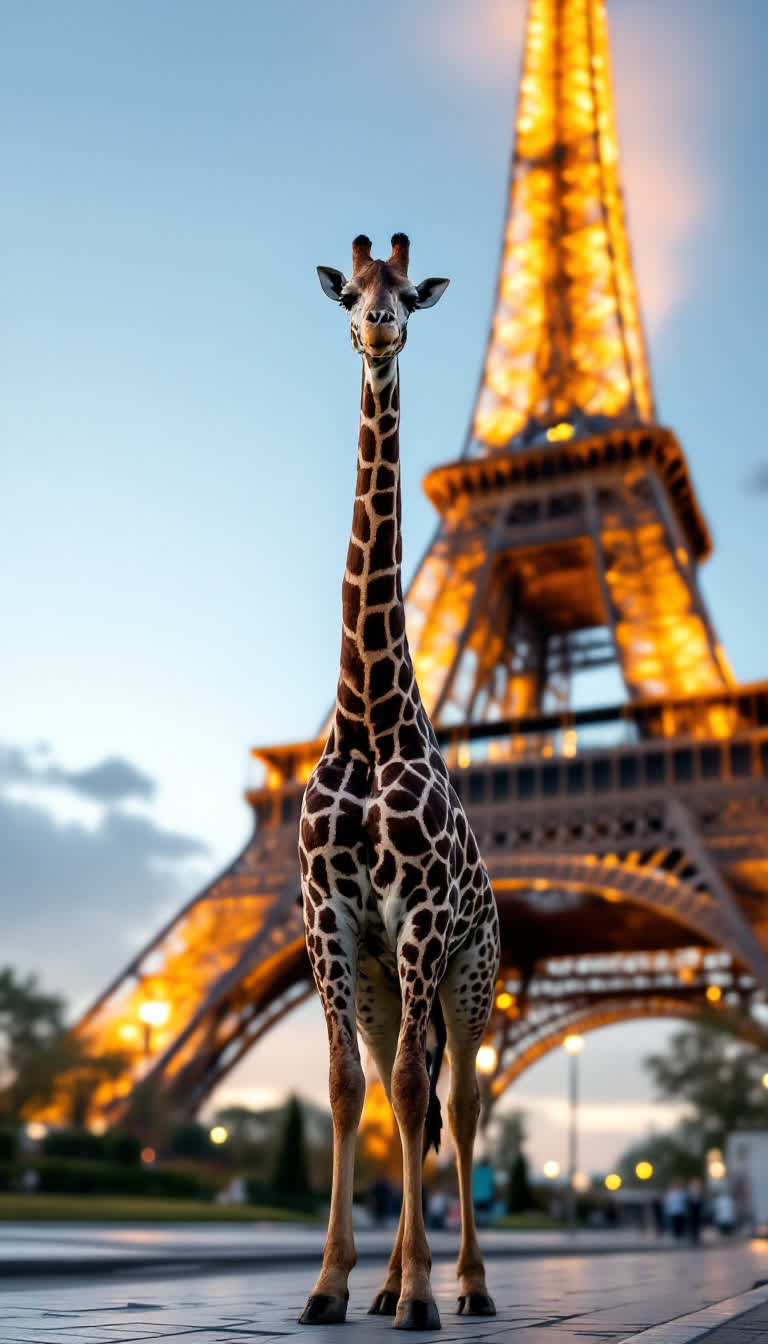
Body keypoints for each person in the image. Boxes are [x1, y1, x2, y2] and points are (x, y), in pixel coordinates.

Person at [687, 1179, 704, 1244]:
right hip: (692, 1210)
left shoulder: (700, 1192)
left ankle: (697, 1235)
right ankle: (692, 1235)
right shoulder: (690, 1192)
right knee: (692, 1223)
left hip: (697, 1210)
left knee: (697, 1223)